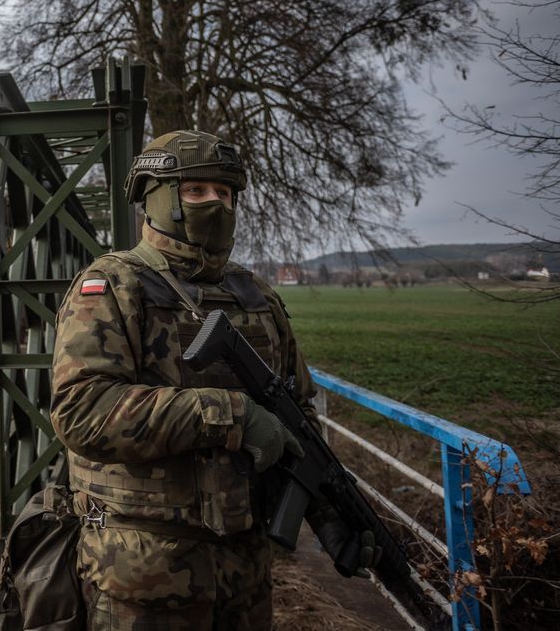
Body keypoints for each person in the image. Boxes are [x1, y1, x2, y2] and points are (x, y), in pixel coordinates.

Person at [50, 130, 342, 630]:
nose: (216, 203)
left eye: (225, 193)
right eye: (196, 190)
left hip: (245, 576)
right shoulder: (114, 286)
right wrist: (231, 415)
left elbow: (300, 418)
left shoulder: (258, 296)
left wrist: (331, 510)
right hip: (145, 576)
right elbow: (82, 413)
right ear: (158, 197)